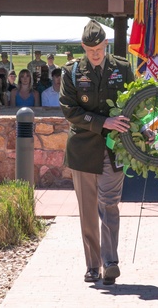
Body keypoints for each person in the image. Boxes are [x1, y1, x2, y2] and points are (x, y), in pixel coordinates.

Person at [59, 20, 134, 286]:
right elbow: (70, 110)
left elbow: (133, 103)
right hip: (83, 149)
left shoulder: (123, 68)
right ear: (82, 47)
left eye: (99, 48)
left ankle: (110, 261)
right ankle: (93, 266)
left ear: (106, 44)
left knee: (110, 203)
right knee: (88, 210)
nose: (95, 54)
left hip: (114, 150)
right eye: (90, 49)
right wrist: (103, 122)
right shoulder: (72, 72)